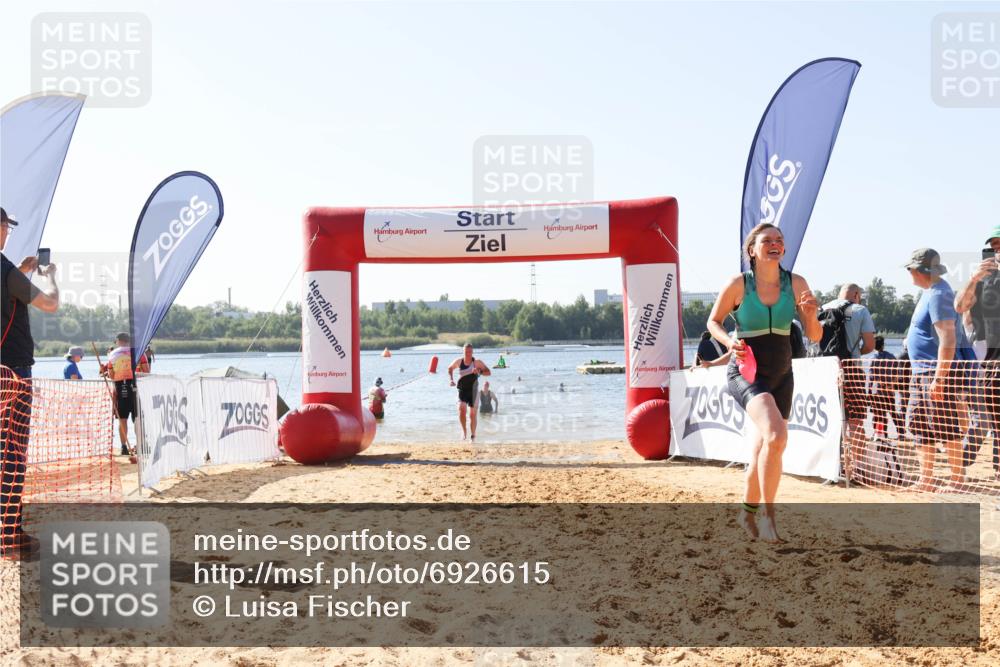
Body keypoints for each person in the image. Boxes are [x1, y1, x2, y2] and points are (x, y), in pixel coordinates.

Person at [707, 223, 821, 543]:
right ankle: (770, 517)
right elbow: (713, 321)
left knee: (764, 447)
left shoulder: (796, 283)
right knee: (777, 435)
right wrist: (728, 342)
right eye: (767, 240)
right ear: (752, 250)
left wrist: (811, 316)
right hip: (746, 371)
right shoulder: (738, 284)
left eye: (780, 240)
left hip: (783, 373)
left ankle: (747, 512)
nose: (775, 244)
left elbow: (814, 336)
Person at [1, 207, 60, 558]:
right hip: (12, 372)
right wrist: (50, 276)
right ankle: (10, 534)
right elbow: (49, 304)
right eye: (7, 226)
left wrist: (19, 274)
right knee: (12, 454)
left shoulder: (10, 273)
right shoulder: (5, 270)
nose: (8, 233)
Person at [904, 248, 975, 492]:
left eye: (910, 268)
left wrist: (939, 378)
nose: (908, 272)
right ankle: (927, 479)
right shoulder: (930, 293)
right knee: (919, 425)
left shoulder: (939, 295)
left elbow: (948, 340)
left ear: (920, 270)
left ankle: (957, 480)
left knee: (946, 426)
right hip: (922, 372)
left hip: (934, 373)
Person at [956, 228, 1000, 480]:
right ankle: (958, 463)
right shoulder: (982, 280)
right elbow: (960, 306)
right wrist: (974, 278)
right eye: (993, 246)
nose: (996, 250)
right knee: (983, 421)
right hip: (985, 362)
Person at [103, 333, 149, 456]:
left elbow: (111, 375)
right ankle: (141, 445)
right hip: (136, 386)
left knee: (122, 419)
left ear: (118, 341)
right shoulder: (139, 352)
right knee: (138, 419)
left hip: (120, 387)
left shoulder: (113, 354)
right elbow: (146, 371)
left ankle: (123, 447)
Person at [447, 343, 491, 441]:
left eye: (470, 352)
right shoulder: (459, 362)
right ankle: (464, 431)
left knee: (472, 414)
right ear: (463, 352)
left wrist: (479, 372)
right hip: (462, 390)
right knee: (461, 409)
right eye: (466, 351)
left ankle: (473, 435)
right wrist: (451, 379)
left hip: (473, 391)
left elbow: (488, 372)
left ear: (472, 352)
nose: (468, 353)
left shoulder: (477, 362)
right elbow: (450, 368)